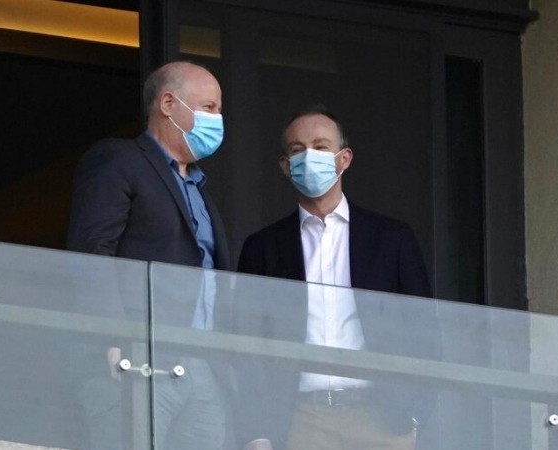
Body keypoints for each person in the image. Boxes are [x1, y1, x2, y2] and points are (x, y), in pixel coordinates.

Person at [235, 106, 438, 450]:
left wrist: (414, 415)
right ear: (284, 166)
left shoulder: (391, 238)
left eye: (321, 146)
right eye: (298, 150)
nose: (309, 156)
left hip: (382, 419)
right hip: (298, 420)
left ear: (344, 159)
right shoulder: (263, 247)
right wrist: (258, 431)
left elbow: (424, 330)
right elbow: (246, 341)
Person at [67, 61, 230, 450]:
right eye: (209, 108)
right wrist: (115, 336)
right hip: (138, 359)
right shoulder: (118, 160)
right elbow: (93, 251)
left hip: (201, 365)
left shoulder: (198, 186)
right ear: (169, 104)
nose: (218, 119)